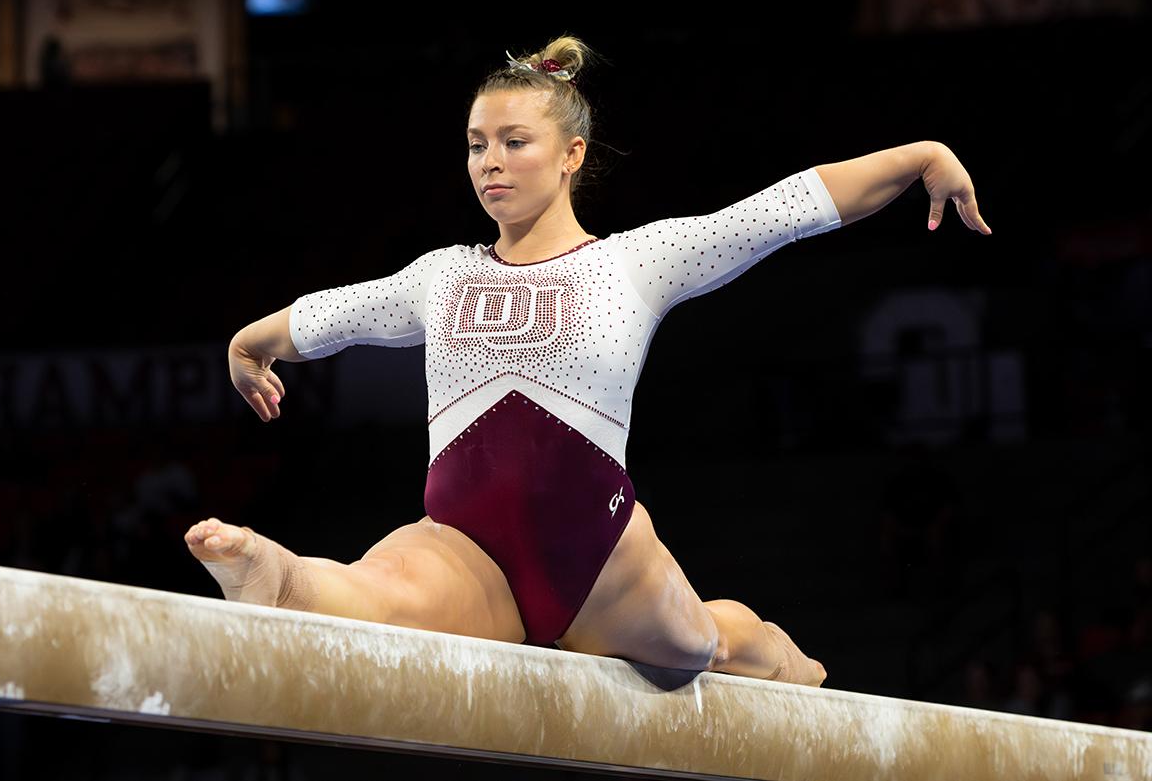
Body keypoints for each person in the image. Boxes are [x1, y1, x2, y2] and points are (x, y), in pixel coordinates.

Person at [186, 34, 991, 688]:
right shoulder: (442, 276)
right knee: (374, 596)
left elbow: (778, 213)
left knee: (699, 649)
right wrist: (248, 342)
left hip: (596, 552)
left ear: (572, 153)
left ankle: (774, 651)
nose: (489, 161)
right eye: (475, 145)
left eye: (513, 141)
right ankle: (275, 578)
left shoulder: (634, 263)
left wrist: (919, 155)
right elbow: (336, 313)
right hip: (466, 545)